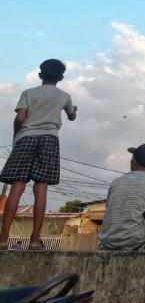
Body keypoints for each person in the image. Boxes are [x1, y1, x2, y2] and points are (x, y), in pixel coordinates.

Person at [0, 59, 77, 251]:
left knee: (17, 187)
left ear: (40, 74)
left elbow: (20, 117)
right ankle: (35, 240)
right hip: (49, 139)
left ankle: (2, 239)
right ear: (61, 77)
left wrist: (17, 134)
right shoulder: (64, 96)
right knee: (41, 188)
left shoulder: (28, 93)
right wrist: (73, 111)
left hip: (25, 138)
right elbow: (72, 116)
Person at [98, 144, 145, 250]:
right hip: (132, 240)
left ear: (133, 160)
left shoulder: (116, 182)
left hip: (107, 240)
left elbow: (109, 207)